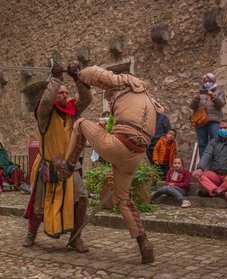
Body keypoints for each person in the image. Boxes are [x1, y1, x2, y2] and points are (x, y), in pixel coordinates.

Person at [52, 65, 164, 264]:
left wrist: (78, 75)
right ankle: (144, 243)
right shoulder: (149, 101)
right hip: (135, 156)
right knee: (123, 200)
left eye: (109, 93)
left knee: (79, 124)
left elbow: (97, 74)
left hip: (118, 145)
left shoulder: (126, 84)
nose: (108, 95)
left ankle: (67, 167)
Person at [23, 63, 92, 253]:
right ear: (53, 94)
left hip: (70, 166)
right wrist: (55, 79)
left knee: (82, 198)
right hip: (48, 166)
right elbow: (45, 102)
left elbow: (86, 98)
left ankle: (76, 238)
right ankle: (31, 233)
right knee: (38, 205)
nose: (64, 95)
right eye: (60, 93)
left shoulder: (72, 112)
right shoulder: (44, 114)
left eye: (65, 93)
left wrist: (77, 78)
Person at [192, 119, 227, 201]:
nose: (222, 130)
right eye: (220, 128)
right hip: (215, 174)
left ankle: (211, 192)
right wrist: (200, 168)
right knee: (196, 175)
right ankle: (220, 192)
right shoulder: (213, 142)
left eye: (225, 128)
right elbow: (206, 154)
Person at [190, 73, 226, 157]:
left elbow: (221, 104)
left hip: (214, 121)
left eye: (208, 81)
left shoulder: (219, 91)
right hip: (200, 121)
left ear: (213, 81)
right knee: (202, 143)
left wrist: (213, 96)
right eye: (205, 81)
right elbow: (192, 106)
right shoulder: (199, 92)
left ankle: (216, 163)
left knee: (215, 141)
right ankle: (203, 165)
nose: (206, 82)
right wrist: (196, 99)